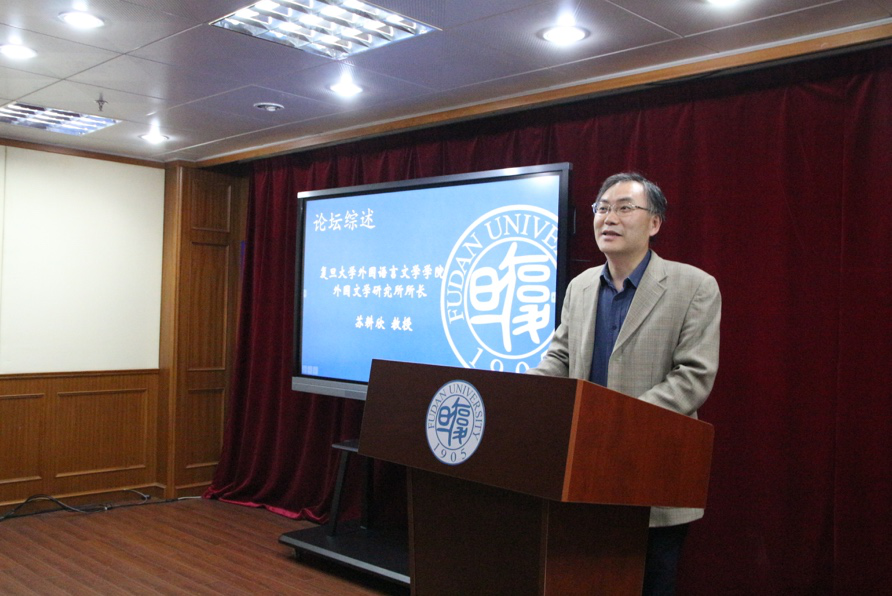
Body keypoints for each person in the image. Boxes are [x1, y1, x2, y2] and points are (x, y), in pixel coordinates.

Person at [528, 172, 721, 595]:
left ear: (654, 223)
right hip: (583, 472)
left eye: (624, 208)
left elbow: (693, 376)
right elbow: (559, 358)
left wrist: (615, 422)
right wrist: (522, 398)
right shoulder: (580, 286)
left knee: (651, 584)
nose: (609, 218)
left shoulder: (694, 286)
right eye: (602, 208)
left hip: (653, 470)